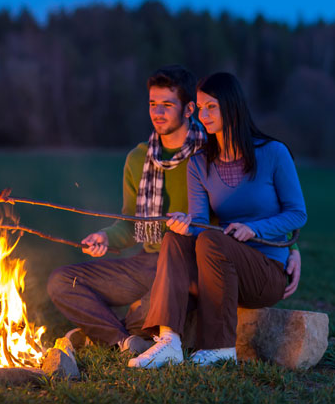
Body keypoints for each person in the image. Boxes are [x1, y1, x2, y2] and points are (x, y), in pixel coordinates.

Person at [48, 65, 303, 353]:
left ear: (187, 109)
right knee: (61, 282)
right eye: (152, 104)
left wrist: (292, 249)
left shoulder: (211, 149)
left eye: (167, 105)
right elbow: (131, 222)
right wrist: (106, 238)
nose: (157, 112)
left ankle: (118, 334)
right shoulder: (139, 158)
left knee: (149, 311)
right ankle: (124, 339)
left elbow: (259, 209)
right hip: (150, 258)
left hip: (196, 263)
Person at [129, 72, 307, 368]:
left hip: (265, 273)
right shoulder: (199, 163)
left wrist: (255, 229)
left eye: (211, 107)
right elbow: (200, 224)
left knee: (212, 239)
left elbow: (297, 213)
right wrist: (187, 224)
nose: (203, 115)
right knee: (174, 237)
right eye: (200, 108)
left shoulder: (273, 153)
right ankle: (169, 341)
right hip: (219, 272)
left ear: (231, 106)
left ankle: (220, 348)